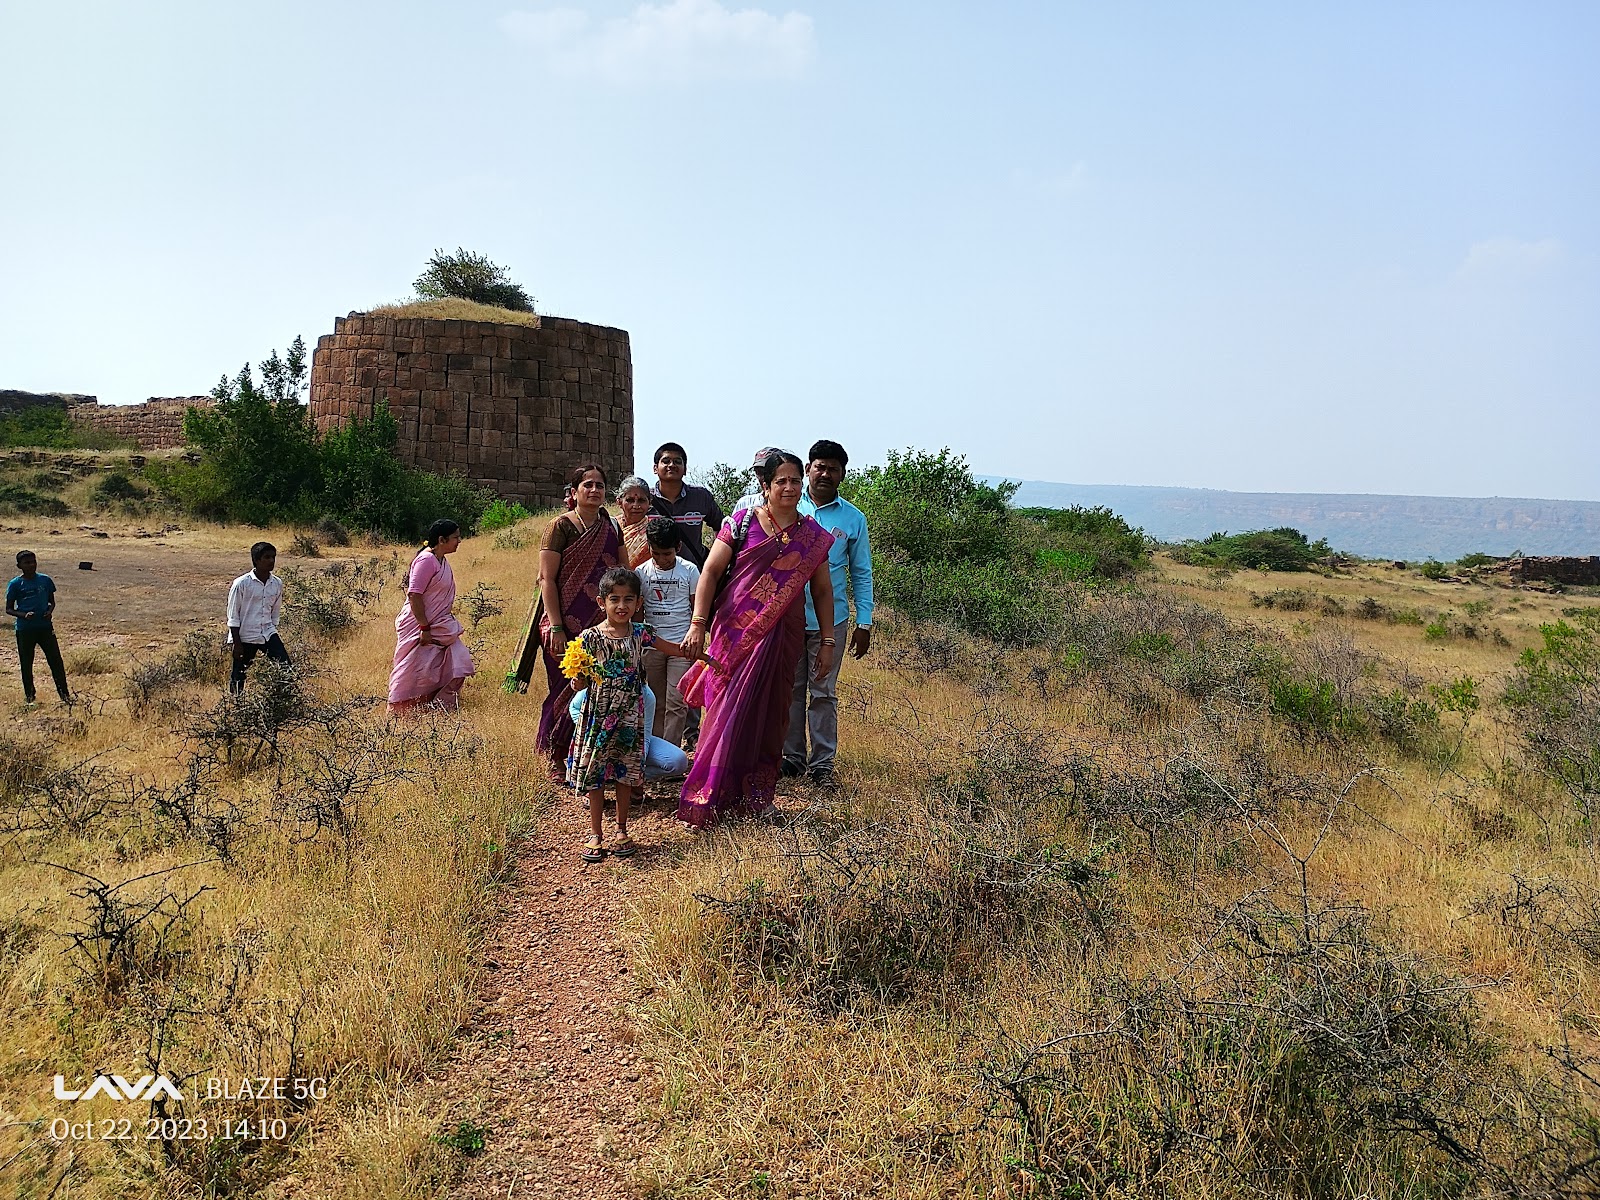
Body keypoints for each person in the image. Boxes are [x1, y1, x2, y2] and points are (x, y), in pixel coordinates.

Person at [677, 451, 835, 828]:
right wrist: (698, 622)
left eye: (795, 481)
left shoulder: (812, 536)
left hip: (784, 633)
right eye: (781, 481)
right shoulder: (741, 522)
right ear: (765, 485)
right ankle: (708, 794)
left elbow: (823, 591)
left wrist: (828, 640)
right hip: (736, 630)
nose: (789, 487)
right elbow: (710, 572)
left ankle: (757, 797)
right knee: (726, 709)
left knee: (772, 714)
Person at [561, 566, 701, 861]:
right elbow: (579, 679)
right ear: (602, 602)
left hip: (629, 716)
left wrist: (704, 655)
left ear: (639, 603)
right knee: (596, 773)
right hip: (599, 716)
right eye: (614, 599)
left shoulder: (641, 633)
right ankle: (595, 833)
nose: (621, 606)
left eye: (628, 599)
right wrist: (577, 681)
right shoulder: (589, 638)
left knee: (625, 772)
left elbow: (674, 649)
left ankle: (622, 829)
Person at [507, 463, 622, 779]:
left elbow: (622, 573)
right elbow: (547, 579)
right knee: (564, 690)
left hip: (601, 627)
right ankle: (553, 757)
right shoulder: (560, 526)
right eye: (588, 485)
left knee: (597, 693)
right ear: (574, 491)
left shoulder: (612, 527)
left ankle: (585, 761)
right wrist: (556, 626)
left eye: (600, 485)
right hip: (563, 625)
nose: (594, 490)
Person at [782, 440, 875, 787]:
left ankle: (822, 764)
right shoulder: (789, 505)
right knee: (790, 689)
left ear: (842, 475)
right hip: (787, 617)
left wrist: (864, 622)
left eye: (833, 469)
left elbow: (861, 572)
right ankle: (791, 758)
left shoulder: (853, 519)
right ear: (808, 469)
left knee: (823, 692)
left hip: (830, 622)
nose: (825, 474)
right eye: (819, 467)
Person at [388, 520, 476, 714]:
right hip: (420, 625)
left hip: (440, 624)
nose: (459, 541)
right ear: (442, 540)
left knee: (457, 660)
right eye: (455, 537)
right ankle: (401, 710)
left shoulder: (440, 560)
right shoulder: (426, 560)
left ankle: (439, 707)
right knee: (413, 669)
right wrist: (424, 628)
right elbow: (414, 594)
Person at [637, 514, 700, 749]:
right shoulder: (641, 573)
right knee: (655, 701)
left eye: (667, 554)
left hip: (681, 646)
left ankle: (670, 753)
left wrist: (697, 635)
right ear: (649, 548)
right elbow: (637, 613)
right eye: (656, 554)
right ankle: (654, 751)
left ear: (678, 548)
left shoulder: (690, 571)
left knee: (677, 701)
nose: (662, 559)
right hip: (652, 645)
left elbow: (697, 608)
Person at [568, 681, 689, 783]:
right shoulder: (602, 685)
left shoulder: (646, 694)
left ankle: (624, 777)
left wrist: (636, 767)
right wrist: (590, 732)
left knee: (678, 761)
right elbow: (574, 707)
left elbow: (645, 736)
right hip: (598, 741)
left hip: (632, 743)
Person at [6, 550, 70, 706]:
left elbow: (51, 602)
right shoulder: (15, 584)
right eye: (27, 563)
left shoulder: (45, 580)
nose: (31, 565)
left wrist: (49, 611)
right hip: (25, 630)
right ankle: (30, 697)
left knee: (56, 661)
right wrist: (23, 615)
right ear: (19, 566)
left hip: (45, 628)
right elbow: (9, 609)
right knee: (26, 663)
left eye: (33, 561)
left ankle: (65, 695)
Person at [226, 542, 290, 694]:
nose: (271, 561)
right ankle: (235, 703)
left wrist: (272, 629)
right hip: (246, 636)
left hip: (268, 633)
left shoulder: (276, 583)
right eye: (267, 557)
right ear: (256, 560)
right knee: (239, 675)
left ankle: (281, 701)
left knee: (286, 669)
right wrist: (237, 643)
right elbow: (233, 615)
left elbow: (275, 611)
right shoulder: (242, 584)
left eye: (273, 557)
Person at [648, 442, 724, 569]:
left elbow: (722, 528)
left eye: (677, 461)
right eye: (666, 461)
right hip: (653, 575)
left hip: (695, 574)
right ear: (655, 468)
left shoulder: (701, 497)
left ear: (685, 469)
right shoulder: (645, 499)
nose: (671, 465)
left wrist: (715, 560)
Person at [616, 475, 655, 568]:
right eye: (630, 500)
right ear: (619, 502)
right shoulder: (610, 526)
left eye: (641, 500)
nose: (636, 506)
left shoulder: (654, 530)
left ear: (649, 502)